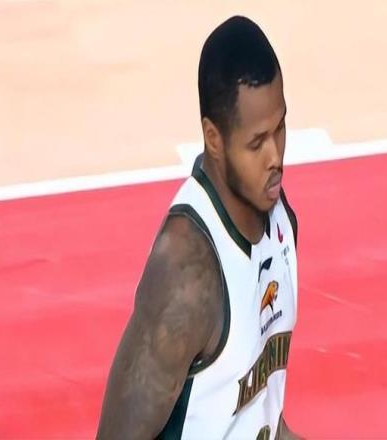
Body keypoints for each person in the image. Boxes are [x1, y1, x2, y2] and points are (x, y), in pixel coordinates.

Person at [97, 16, 301, 440]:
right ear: (214, 138)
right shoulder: (187, 275)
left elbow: (261, 416)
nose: (275, 157)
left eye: (280, 128)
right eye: (256, 142)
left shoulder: (280, 224)